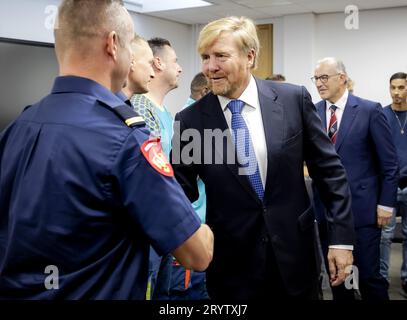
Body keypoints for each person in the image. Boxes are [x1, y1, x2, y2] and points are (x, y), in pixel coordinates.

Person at [0, 0, 213, 299]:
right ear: (113, 44)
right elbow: (198, 253)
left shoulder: (17, 128)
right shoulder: (125, 137)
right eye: (129, 46)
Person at [171, 16, 355, 300]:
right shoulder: (191, 120)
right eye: (205, 57)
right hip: (232, 268)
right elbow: (179, 191)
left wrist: (342, 240)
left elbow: (330, 172)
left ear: (250, 56)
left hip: (296, 256)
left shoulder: (293, 100)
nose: (210, 67)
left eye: (221, 55)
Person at [312, 57, 398, 300]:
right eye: (316, 78)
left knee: (369, 276)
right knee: (338, 278)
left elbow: (389, 165)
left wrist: (385, 204)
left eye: (324, 77)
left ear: (342, 78)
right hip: (326, 212)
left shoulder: (370, 110)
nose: (319, 83)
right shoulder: (313, 112)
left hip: (363, 211)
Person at [128, 37, 183, 300]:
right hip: (150, 223)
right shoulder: (140, 106)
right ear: (158, 63)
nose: (180, 68)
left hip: (164, 221)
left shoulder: (164, 113)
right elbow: (149, 173)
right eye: (175, 61)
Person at [380, 72, 407, 298]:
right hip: (388, 185)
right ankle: (381, 278)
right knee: (385, 236)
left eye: (401, 88)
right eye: (393, 88)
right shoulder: (382, 114)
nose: (397, 93)